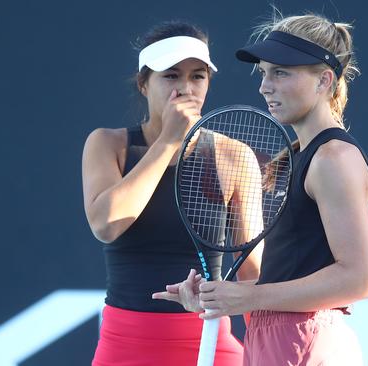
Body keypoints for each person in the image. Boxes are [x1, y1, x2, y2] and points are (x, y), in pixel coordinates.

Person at [154, 12, 368, 365]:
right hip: (278, 338)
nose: (264, 85)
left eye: (281, 72)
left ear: (324, 81)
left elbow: (359, 278)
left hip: (304, 342)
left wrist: (250, 299)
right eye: (264, 72)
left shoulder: (333, 158)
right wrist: (223, 295)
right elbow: (290, 277)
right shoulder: (301, 156)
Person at [82, 20, 260, 365]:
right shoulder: (108, 144)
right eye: (171, 75)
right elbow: (106, 224)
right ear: (143, 84)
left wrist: (271, 345)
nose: (185, 87)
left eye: (198, 76)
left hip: (210, 346)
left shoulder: (234, 156)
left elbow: (251, 272)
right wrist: (168, 141)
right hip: (124, 347)